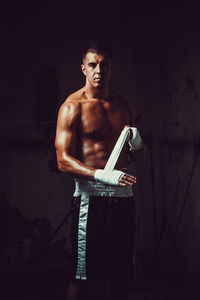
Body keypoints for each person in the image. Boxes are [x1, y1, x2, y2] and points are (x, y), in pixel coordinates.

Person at [55, 41, 146, 300]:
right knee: (81, 275)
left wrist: (138, 143)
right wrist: (101, 175)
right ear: (83, 69)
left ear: (111, 68)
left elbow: (140, 157)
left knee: (120, 276)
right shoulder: (73, 106)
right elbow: (62, 160)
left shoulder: (123, 105)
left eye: (104, 64)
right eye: (93, 65)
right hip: (89, 198)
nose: (98, 70)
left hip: (123, 198)